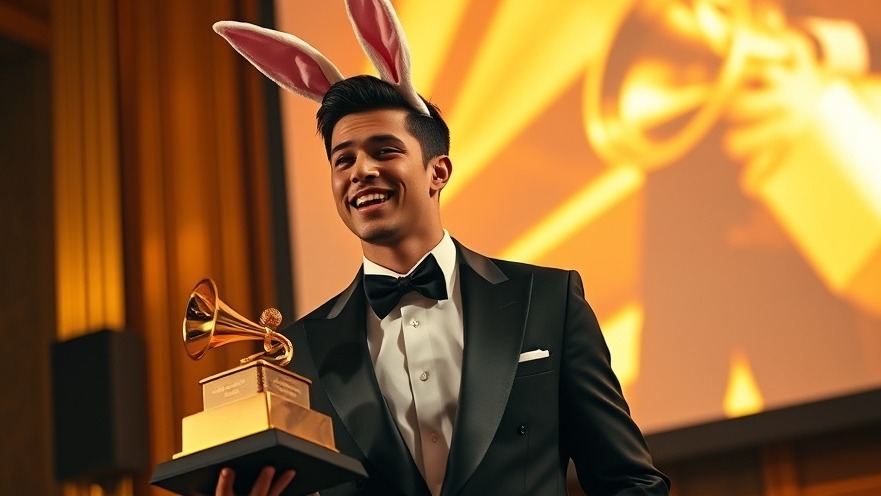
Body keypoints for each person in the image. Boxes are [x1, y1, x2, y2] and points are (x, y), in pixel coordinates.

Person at [215, 74, 669, 495]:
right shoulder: (298, 351)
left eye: (384, 151)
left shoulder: (550, 301)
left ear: (439, 171)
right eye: (344, 159)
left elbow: (628, 481)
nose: (361, 171)